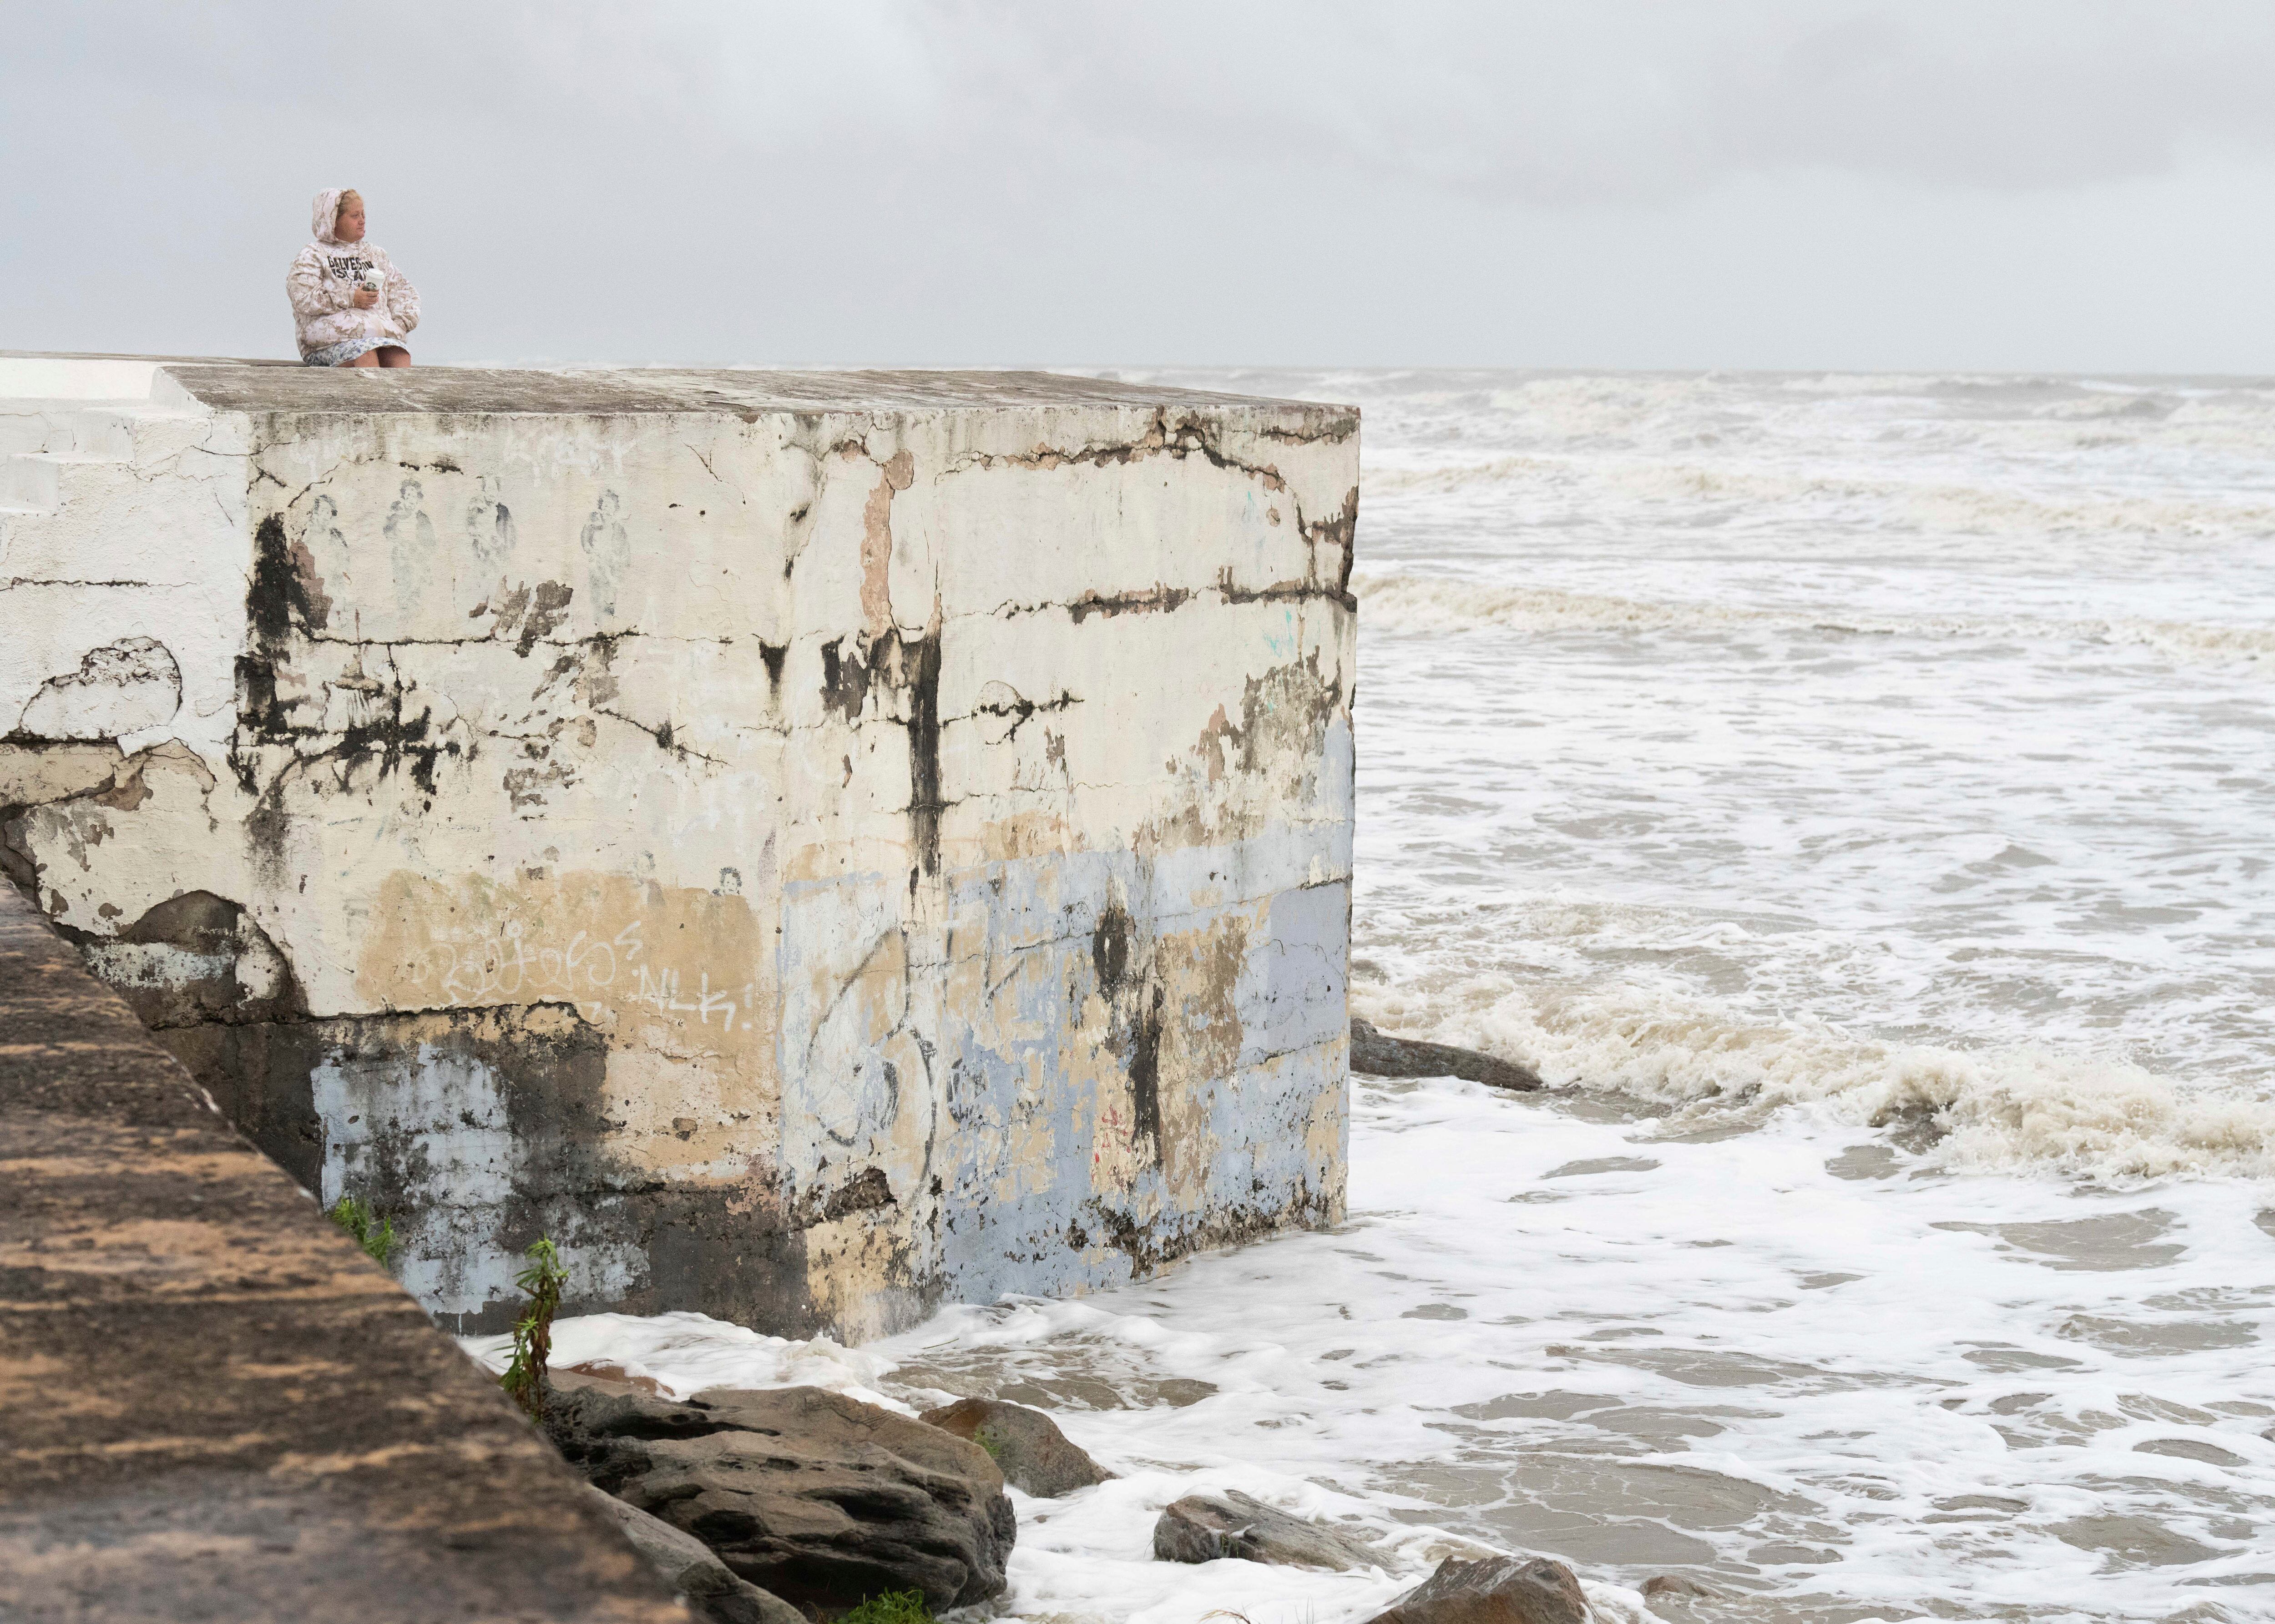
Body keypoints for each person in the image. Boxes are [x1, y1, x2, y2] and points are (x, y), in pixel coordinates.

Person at [288, 188, 420, 368]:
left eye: (363, 214)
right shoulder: (312, 255)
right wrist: (351, 299)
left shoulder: (375, 254)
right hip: (328, 343)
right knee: (365, 355)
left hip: (378, 338)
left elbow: (404, 292)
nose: (362, 220)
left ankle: (399, 397)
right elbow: (304, 299)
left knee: (399, 355)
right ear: (333, 220)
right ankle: (369, 396)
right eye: (355, 215)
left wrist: (397, 325)